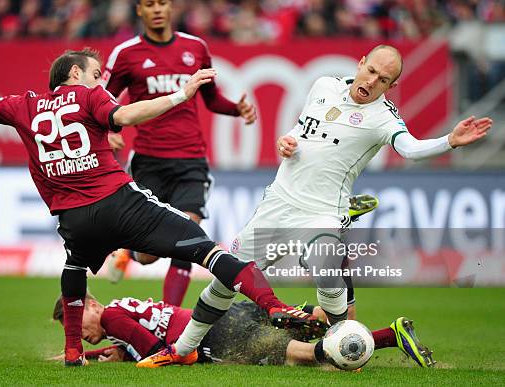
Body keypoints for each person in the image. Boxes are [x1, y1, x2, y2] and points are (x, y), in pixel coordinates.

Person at [0, 24, 322, 367]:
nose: (100, 78)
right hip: (119, 203)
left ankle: (71, 352)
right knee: (206, 250)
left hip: (75, 220)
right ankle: (272, 305)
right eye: (95, 73)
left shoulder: (24, 106)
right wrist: (180, 94)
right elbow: (125, 115)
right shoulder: (87, 95)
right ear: (74, 75)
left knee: (75, 267)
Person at [139, 44, 491, 368]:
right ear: (361, 63)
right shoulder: (324, 86)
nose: (373, 81)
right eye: (371, 71)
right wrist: (287, 140)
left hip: (323, 210)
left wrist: (450, 141)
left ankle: (343, 344)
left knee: (326, 269)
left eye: (384, 80)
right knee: (226, 280)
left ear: (391, 86)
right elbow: (301, 129)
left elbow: (410, 149)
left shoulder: (383, 118)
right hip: (277, 202)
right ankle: (182, 351)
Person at [102, 0, 257, 307]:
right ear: (140, 11)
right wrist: (109, 131)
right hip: (148, 162)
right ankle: (127, 252)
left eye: (162, 3)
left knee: (188, 237)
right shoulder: (126, 54)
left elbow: (211, 99)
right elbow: (102, 100)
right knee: (147, 256)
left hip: (191, 162)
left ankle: (169, 318)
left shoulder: (196, 47)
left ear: (170, 7)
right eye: (150, 4)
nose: (157, 9)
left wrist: (236, 110)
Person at [51, 292, 435, 368]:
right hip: (224, 312)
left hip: (213, 334)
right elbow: (133, 343)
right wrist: (96, 354)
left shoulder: (111, 319)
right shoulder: (118, 311)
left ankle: (372, 339)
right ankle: (389, 335)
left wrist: (94, 356)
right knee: (314, 322)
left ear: (92, 306)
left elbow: (154, 350)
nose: (78, 333)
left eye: (75, 322)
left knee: (306, 359)